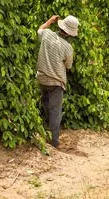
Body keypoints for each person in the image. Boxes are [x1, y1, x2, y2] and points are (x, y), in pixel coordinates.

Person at [36, 14, 78, 148]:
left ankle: (47, 131)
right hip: (56, 82)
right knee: (55, 110)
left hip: (42, 78)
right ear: (70, 33)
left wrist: (50, 21)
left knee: (46, 104)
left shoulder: (46, 34)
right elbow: (68, 65)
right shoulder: (68, 48)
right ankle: (54, 140)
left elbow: (39, 29)